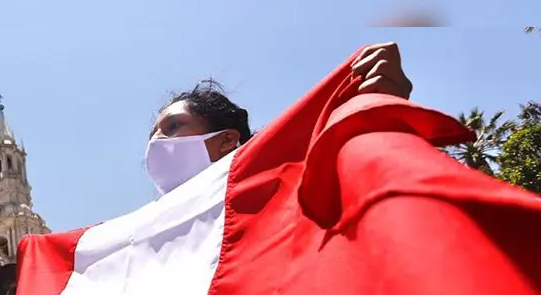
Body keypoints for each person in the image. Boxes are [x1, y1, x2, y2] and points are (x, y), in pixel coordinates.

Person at [145, 43, 413, 196]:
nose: (156, 140)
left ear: (227, 139)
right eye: (153, 133)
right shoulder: (130, 240)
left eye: (173, 126)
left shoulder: (285, 194)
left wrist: (377, 119)